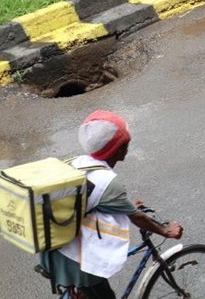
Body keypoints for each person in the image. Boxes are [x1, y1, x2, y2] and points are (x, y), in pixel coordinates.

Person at [40, 110, 183, 299]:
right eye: (126, 143)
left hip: (53, 249)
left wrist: (124, 205)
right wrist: (166, 231)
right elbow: (137, 218)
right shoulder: (107, 181)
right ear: (120, 148)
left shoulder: (76, 163)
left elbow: (88, 203)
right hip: (77, 261)